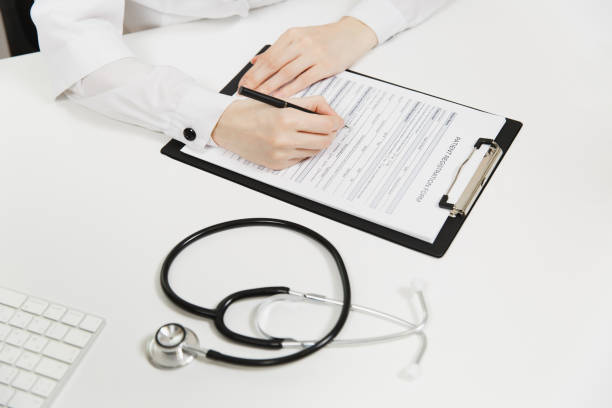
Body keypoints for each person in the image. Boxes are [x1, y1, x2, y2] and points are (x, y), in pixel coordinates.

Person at [31, 0, 450, 170]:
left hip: (332, 21)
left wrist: (363, 26)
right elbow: (73, 39)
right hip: (164, 57)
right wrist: (214, 118)